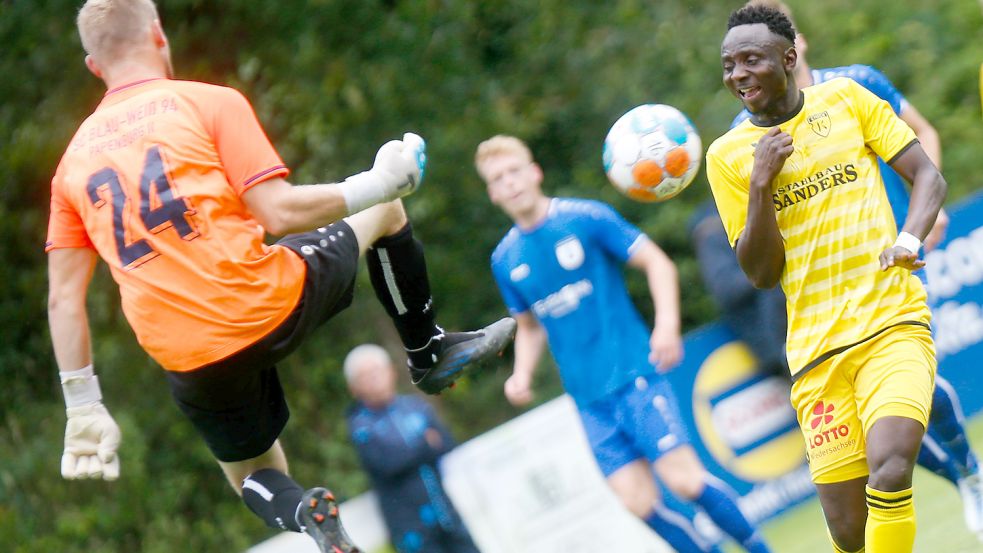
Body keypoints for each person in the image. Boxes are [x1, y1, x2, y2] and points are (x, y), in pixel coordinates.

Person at [46, 2, 516, 552]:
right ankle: (427, 351)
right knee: (386, 213)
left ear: (92, 66)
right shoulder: (207, 102)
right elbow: (281, 213)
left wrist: (82, 404)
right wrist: (379, 182)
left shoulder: (71, 165)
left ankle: (302, 512)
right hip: (269, 301)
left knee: (249, 472)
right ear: (157, 34)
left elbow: (62, 300)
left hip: (190, 357)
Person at [726, 0, 983, 540]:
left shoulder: (855, 86)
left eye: (755, 55)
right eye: (730, 63)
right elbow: (759, 270)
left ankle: (970, 475)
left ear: (793, 48)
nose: (740, 73)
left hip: (893, 275)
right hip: (817, 337)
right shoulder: (734, 146)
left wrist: (917, 228)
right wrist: (759, 183)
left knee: (904, 431)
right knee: (850, 524)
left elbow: (923, 145)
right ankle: (960, 478)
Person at [476, 135, 772, 553]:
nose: (509, 183)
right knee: (637, 503)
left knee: (684, 481)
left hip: (634, 374)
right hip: (588, 399)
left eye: (514, 171)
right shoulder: (505, 258)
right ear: (491, 192)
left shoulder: (584, 217)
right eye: (498, 178)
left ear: (534, 172)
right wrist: (521, 374)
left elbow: (656, 261)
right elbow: (528, 326)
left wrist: (666, 325)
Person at [344, 344, 481, 553]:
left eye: (377, 370)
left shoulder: (415, 405)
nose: (374, 377)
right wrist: (425, 445)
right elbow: (388, 464)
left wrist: (412, 451)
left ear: (392, 371)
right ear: (353, 387)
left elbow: (446, 442)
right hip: (411, 529)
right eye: (365, 375)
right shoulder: (359, 425)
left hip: (446, 513)